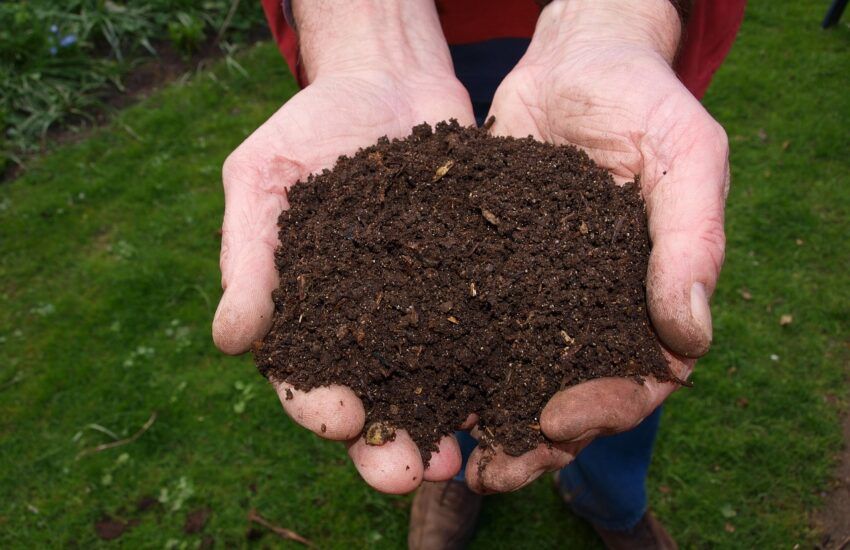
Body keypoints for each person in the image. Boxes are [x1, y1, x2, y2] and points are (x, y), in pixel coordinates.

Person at [213, 1, 745, 548]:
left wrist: (619, 21)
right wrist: (368, 34)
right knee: (460, 384)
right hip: (425, 35)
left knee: (622, 359)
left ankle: (612, 502)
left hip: (613, 33)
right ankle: (450, 457)